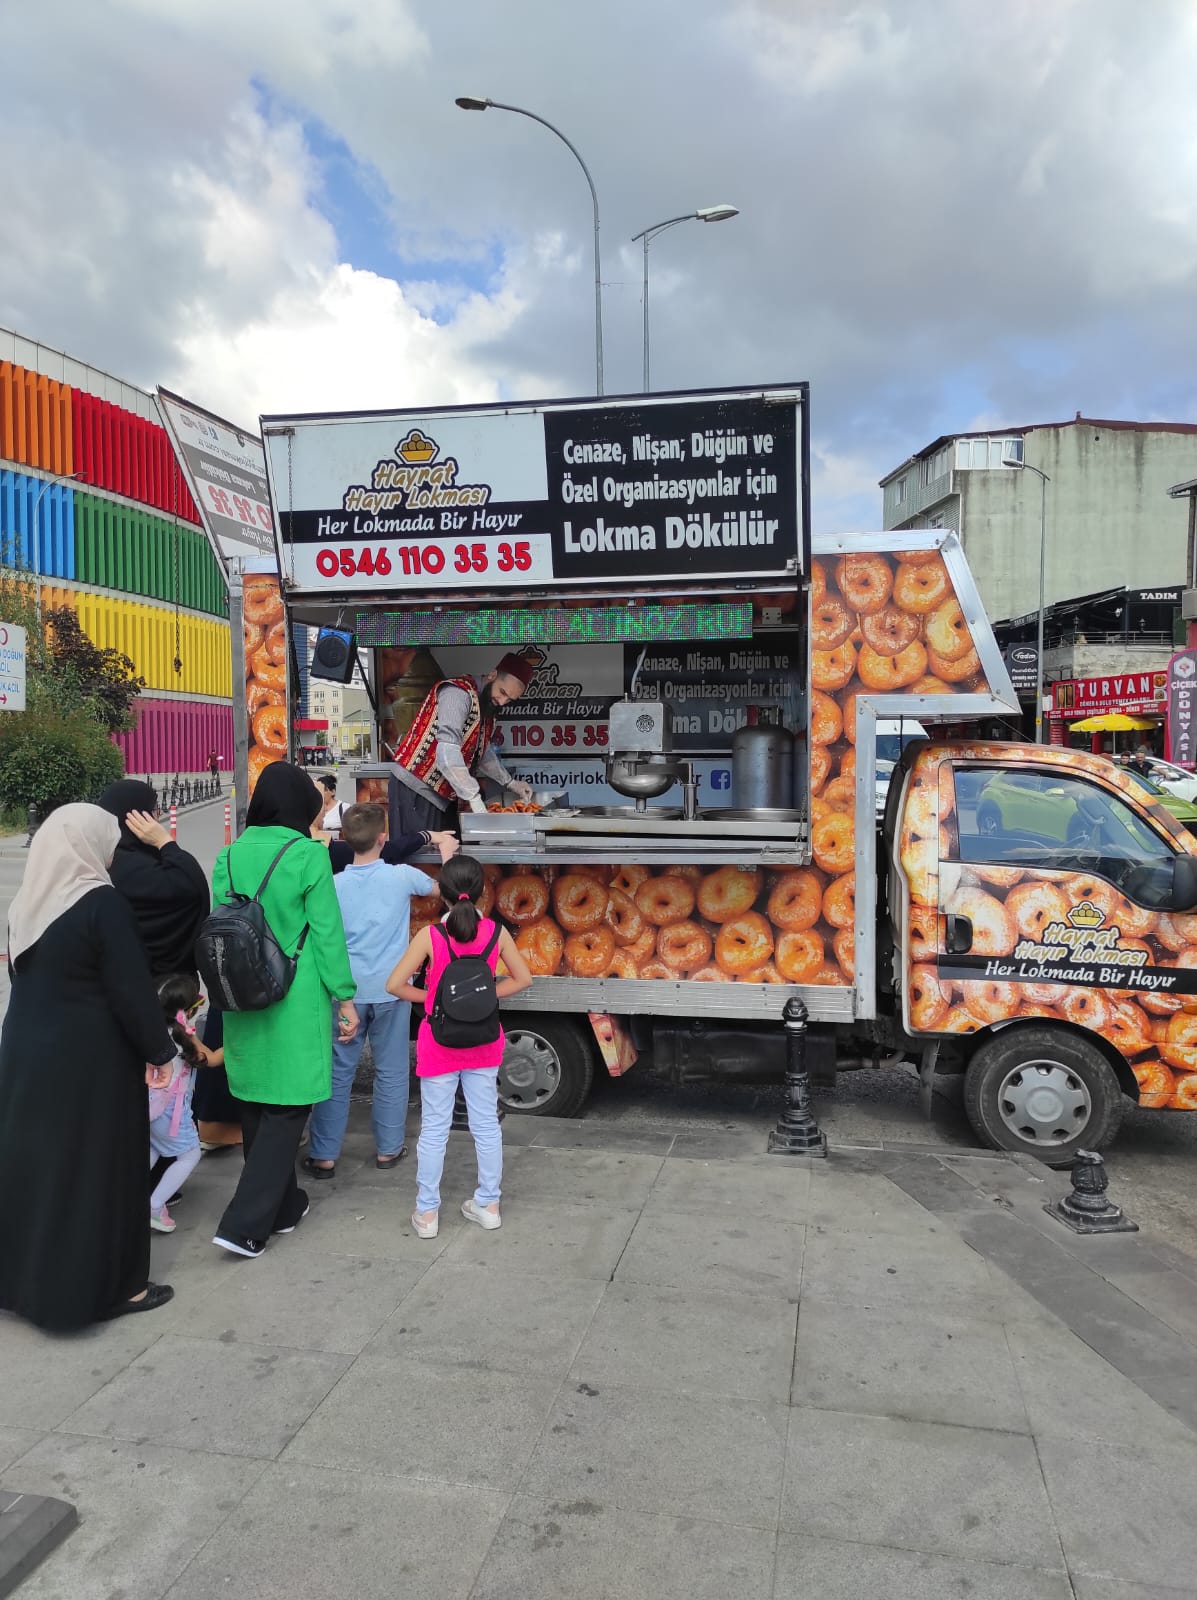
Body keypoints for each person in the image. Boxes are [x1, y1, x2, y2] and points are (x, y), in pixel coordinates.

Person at [0, 805, 177, 1329]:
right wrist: (160, 1052)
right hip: (90, 1062)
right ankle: (117, 1288)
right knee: (97, 1168)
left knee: (36, 1166)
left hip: (24, 1054)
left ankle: (18, 1283)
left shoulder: (25, 903)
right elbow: (130, 992)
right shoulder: (103, 904)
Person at [210, 762, 359, 1259]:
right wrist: (345, 994)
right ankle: (245, 1225)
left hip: (242, 994)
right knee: (288, 1106)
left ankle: (284, 1206)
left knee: (256, 1101)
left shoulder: (228, 855)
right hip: (294, 996)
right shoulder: (307, 856)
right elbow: (327, 932)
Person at [387, 854, 532, 1239]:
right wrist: (487, 995)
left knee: (434, 1128)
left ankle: (427, 1214)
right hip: (484, 1040)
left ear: (444, 894)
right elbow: (523, 979)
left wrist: (433, 1000)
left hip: (440, 1042)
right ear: (482, 892)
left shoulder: (430, 937)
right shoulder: (496, 934)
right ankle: (488, 1204)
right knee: (486, 1124)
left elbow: (395, 985)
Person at [305, 803, 437, 1178]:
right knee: (392, 1071)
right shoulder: (402, 877)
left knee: (339, 1073)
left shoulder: (332, 884)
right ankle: (388, 1149)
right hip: (392, 991)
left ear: (343, 839)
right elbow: (439, 888)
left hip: (345, 993)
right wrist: (443, 846)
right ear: (384, 839)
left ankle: (324, 1154)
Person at [391, 653, 538, 832]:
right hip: (416, 789)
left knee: (446, 851)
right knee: (422, 855)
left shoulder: (484, 705)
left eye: (509, 700)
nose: (502, 702)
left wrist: (510, 782)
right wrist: (473, 796)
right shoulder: (458, 694)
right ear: (492, 675)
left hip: (442, 794)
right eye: (502, 692)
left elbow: (480, 751)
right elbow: (447, 753)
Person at [98, 779, 210, 977]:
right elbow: (193, 887)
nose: (159, 815)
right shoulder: (139, 870)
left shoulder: (100, 862)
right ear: (138, 819)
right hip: (163, 990)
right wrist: (164, 841)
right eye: (154, 810)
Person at [148, 974, 207, 1234]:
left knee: (154, 1147)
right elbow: (206, 1059)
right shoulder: (182, 1040)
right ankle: (155, 1205)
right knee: (189, 1154)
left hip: (149, 1107)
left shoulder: (152, 1034)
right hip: (172, 1111)